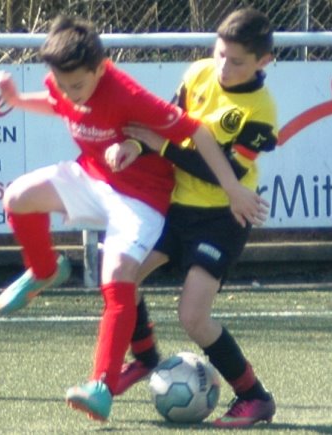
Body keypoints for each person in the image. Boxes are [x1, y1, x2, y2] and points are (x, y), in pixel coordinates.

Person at [0, 15, 267, 422]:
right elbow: (58, 102)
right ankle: (46, 271)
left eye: (77, 86)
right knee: (17, 197)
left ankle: (101, 385)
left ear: (101, 69)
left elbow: (196, 133)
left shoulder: (128, 95)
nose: (70, 94)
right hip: (96, 178)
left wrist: (232, 188)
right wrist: (16, 100)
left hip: (146, 200)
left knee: (125, 279)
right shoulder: (67, 81)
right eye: (62, 84)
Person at [116, 8, 278, 428]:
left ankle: (254, 397)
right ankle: (145, 357)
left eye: (237, 61)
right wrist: (137, 146)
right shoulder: (199, 73)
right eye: (220, 53)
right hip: (176, 209)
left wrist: (161, 146)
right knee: (123, 277)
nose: (223, 67)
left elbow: (225, 173)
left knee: (193, 317)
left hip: (222, 219)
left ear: (264, 61)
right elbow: (166, 124)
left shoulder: (261, 111)